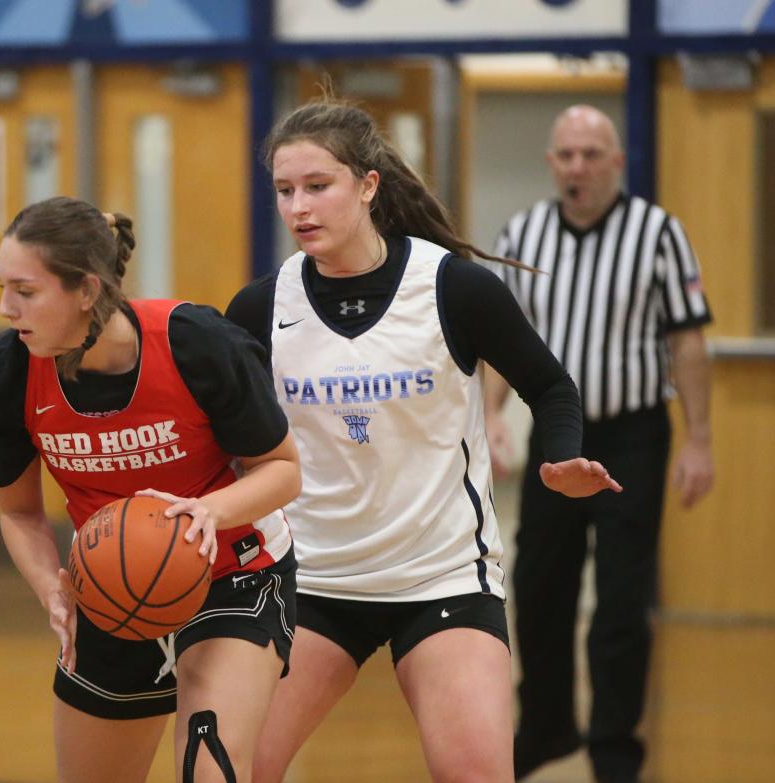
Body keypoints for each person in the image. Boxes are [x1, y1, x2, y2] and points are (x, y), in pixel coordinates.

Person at [225, 96, 621, 783]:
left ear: (368, 185)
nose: (299, 208)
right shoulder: (260, 307)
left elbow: (551, 386)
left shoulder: (453, 288)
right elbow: (229, 441)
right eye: (285, 191)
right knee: (234, 766)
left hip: (439, 575)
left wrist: (559, 455)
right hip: (312, 579)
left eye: (318, 186)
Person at [0, 196, 301, 783]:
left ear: (87, 291)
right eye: (3, 288)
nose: (5, 308)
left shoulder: (198, 344)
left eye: (25, 291)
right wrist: (52, 586)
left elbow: (282, 470)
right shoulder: (9, 372)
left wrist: (207, 511)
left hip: (233, 571)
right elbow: (19, 513)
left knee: (210, 764)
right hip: (110, 588)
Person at [484, 105, 714, 783]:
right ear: (552, 161)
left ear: (617, 162)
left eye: (591, 154)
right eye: (566, 154)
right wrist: (492, 415)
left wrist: (699, 440)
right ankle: (548, 724)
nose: (577, 167)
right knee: (538, 583)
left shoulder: (658, 233)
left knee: (620, 596)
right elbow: (504, 342)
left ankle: (615, 744)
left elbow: (689, 340)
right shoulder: (522, 234)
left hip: (633, 433)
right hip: (560, 435)